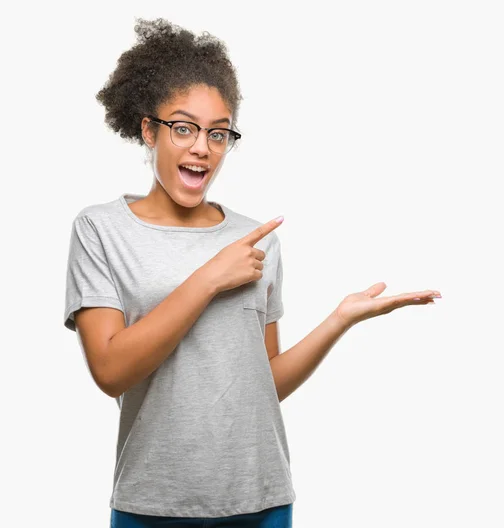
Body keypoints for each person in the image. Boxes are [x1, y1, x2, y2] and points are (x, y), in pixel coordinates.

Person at [63, 17, 441, 528]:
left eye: (218, 133)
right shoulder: (101, 229)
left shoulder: (257, 240)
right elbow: (110, 372)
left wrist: (340, 320)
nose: (202, 147)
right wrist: (208, 278)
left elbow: (264, 383)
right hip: (152, 503)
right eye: (183, 127)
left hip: (261, 500)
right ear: (148, 130)